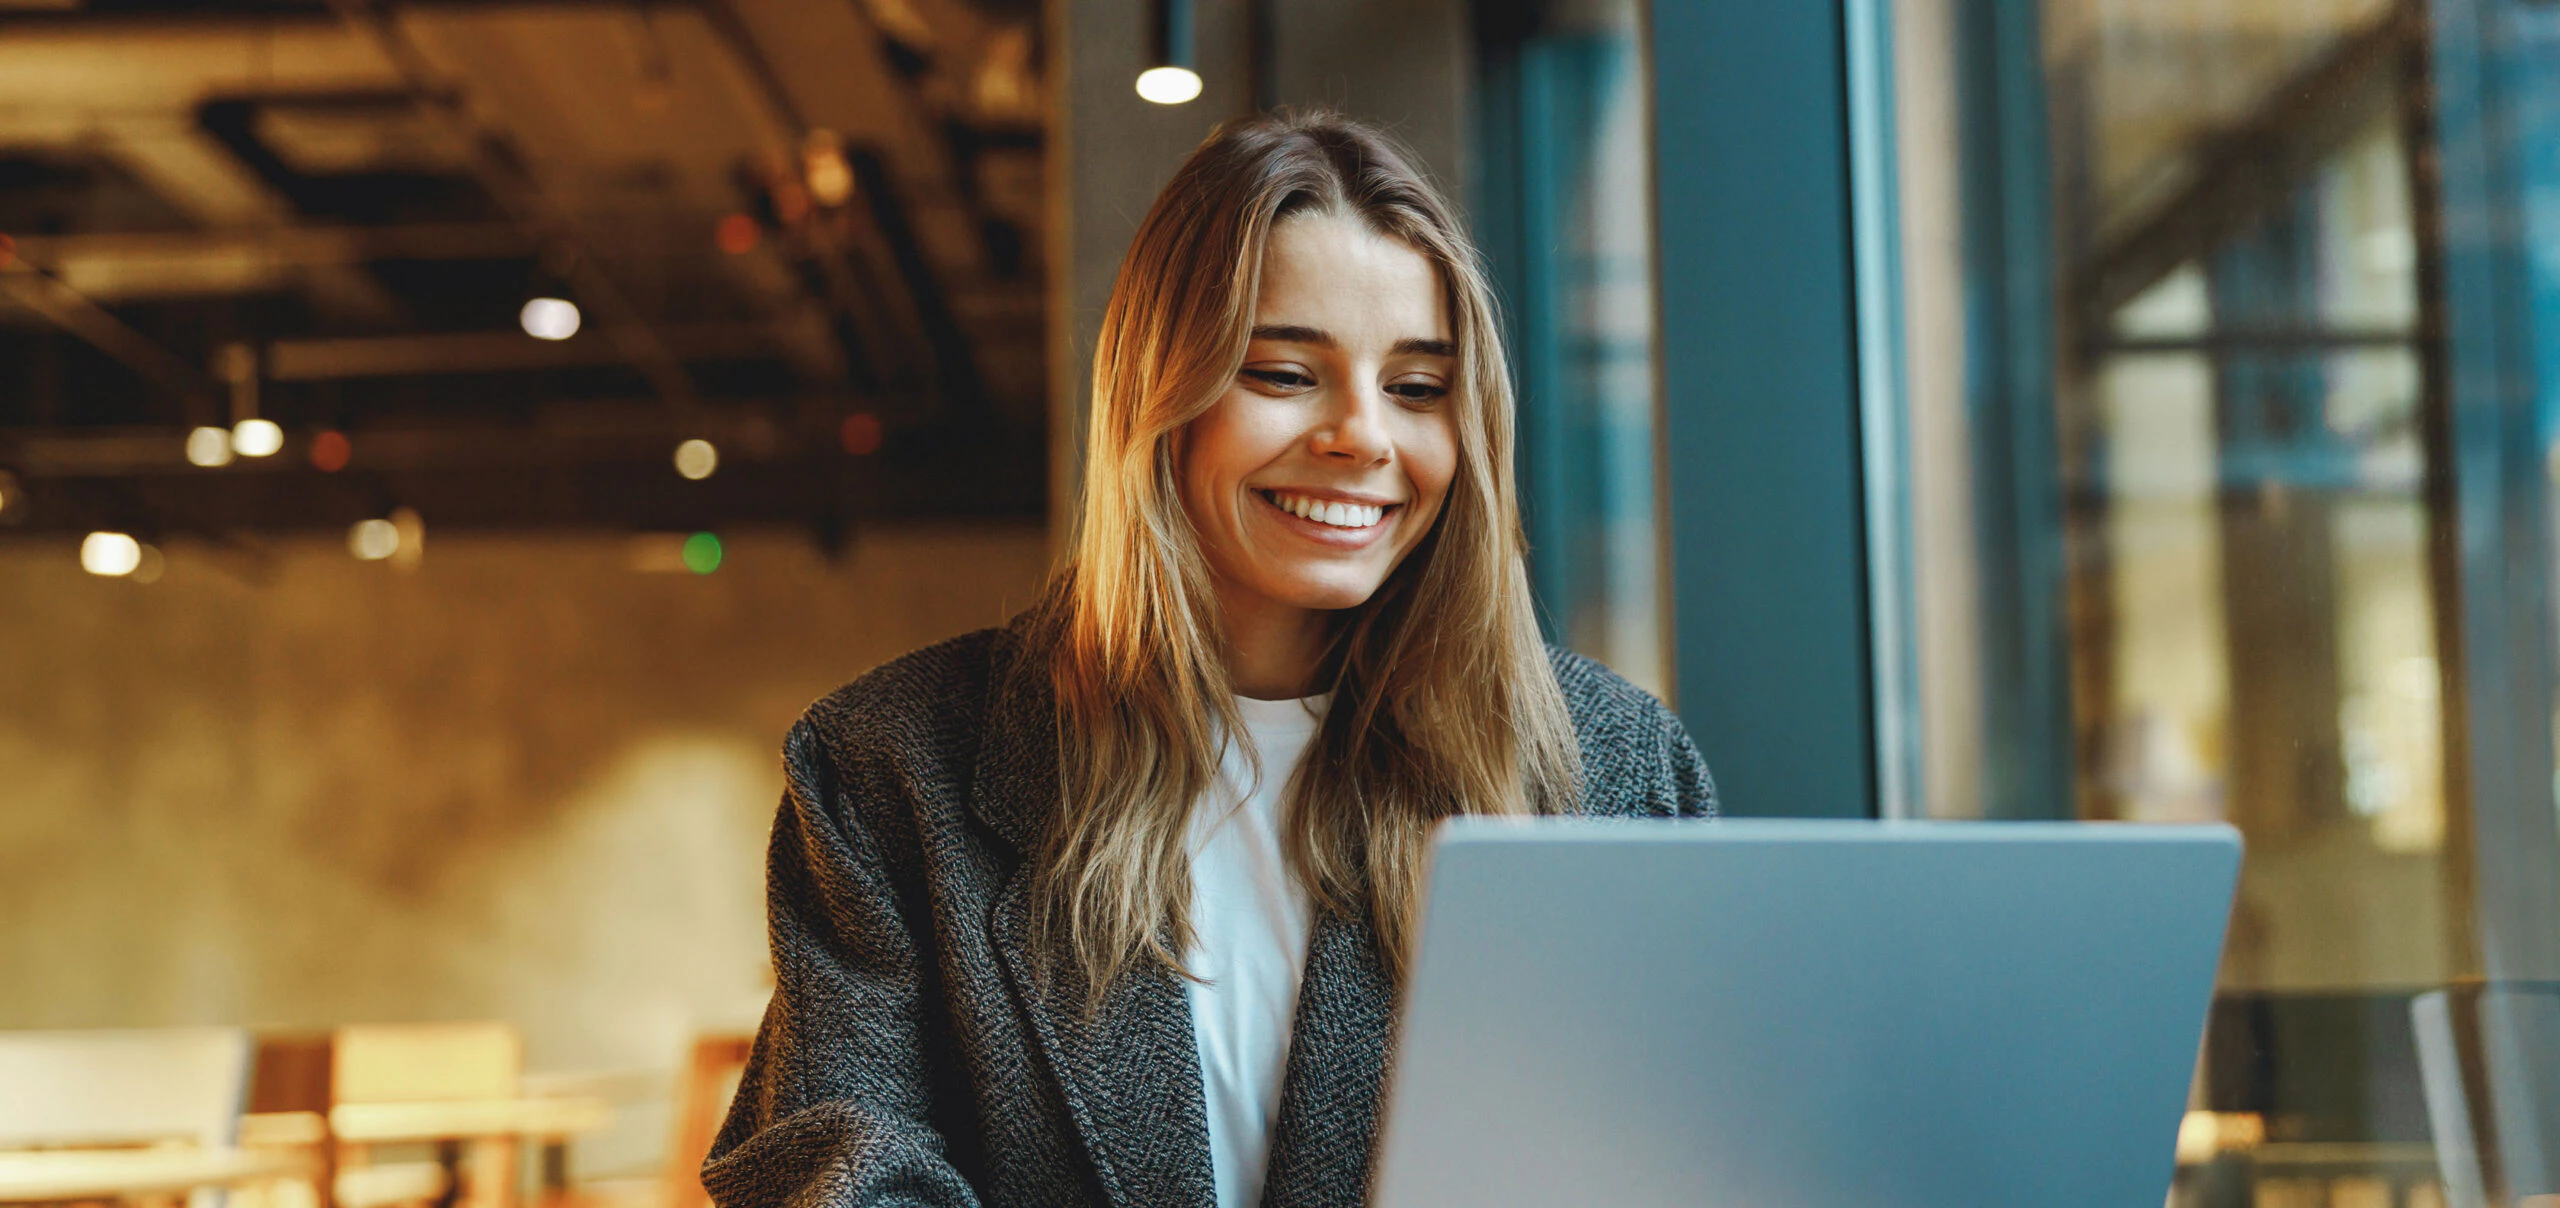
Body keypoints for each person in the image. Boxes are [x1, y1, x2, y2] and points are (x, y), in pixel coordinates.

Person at [701, 111, 1716, 1208]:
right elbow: (830, 1162)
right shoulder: (893, 767)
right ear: (1160, 397)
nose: (1364, 436)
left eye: (1418, 388)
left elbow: (1699, 1142)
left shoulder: (1613, 766)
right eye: (1285, 373)